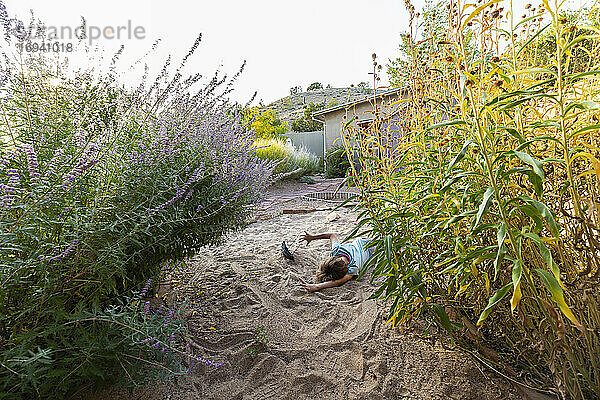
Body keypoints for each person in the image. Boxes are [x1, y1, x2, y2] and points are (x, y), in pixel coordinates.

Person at [299, 231, 373, 292]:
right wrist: (316, 287)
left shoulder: (337, 251)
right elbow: (338, 282)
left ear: (334, 258)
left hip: (365, 243)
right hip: (368, 248)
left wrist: (313, 237)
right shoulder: (353, 266)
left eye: (341, 260)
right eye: (344, 263)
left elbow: (331, 235)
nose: (345, 261)